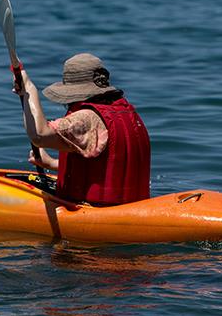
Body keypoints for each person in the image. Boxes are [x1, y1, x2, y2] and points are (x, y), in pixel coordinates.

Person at [12, 53, 150, 206]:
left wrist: (29, 91)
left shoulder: (85, 119)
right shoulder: (127, 113)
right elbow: (108, 165)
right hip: (135, 207)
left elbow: (39, 135)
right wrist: (51, 163)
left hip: (97, 211)